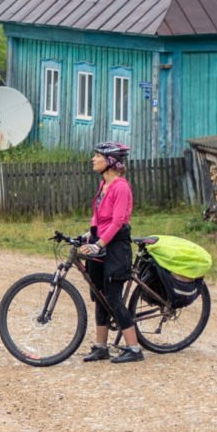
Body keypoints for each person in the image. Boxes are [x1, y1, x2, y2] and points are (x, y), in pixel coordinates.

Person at [78, 141, 143, 363]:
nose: (93, 159)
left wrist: (100, 244)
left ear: (111, 161)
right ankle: (101, 346)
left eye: (98, 156)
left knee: (114, 296)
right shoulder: (103, 185)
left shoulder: (121, 187)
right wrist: (89, 234)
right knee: (100, 296)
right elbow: (98, 216)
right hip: (101, 242)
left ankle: (134, 349)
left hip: (115, 247)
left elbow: (117, 222)